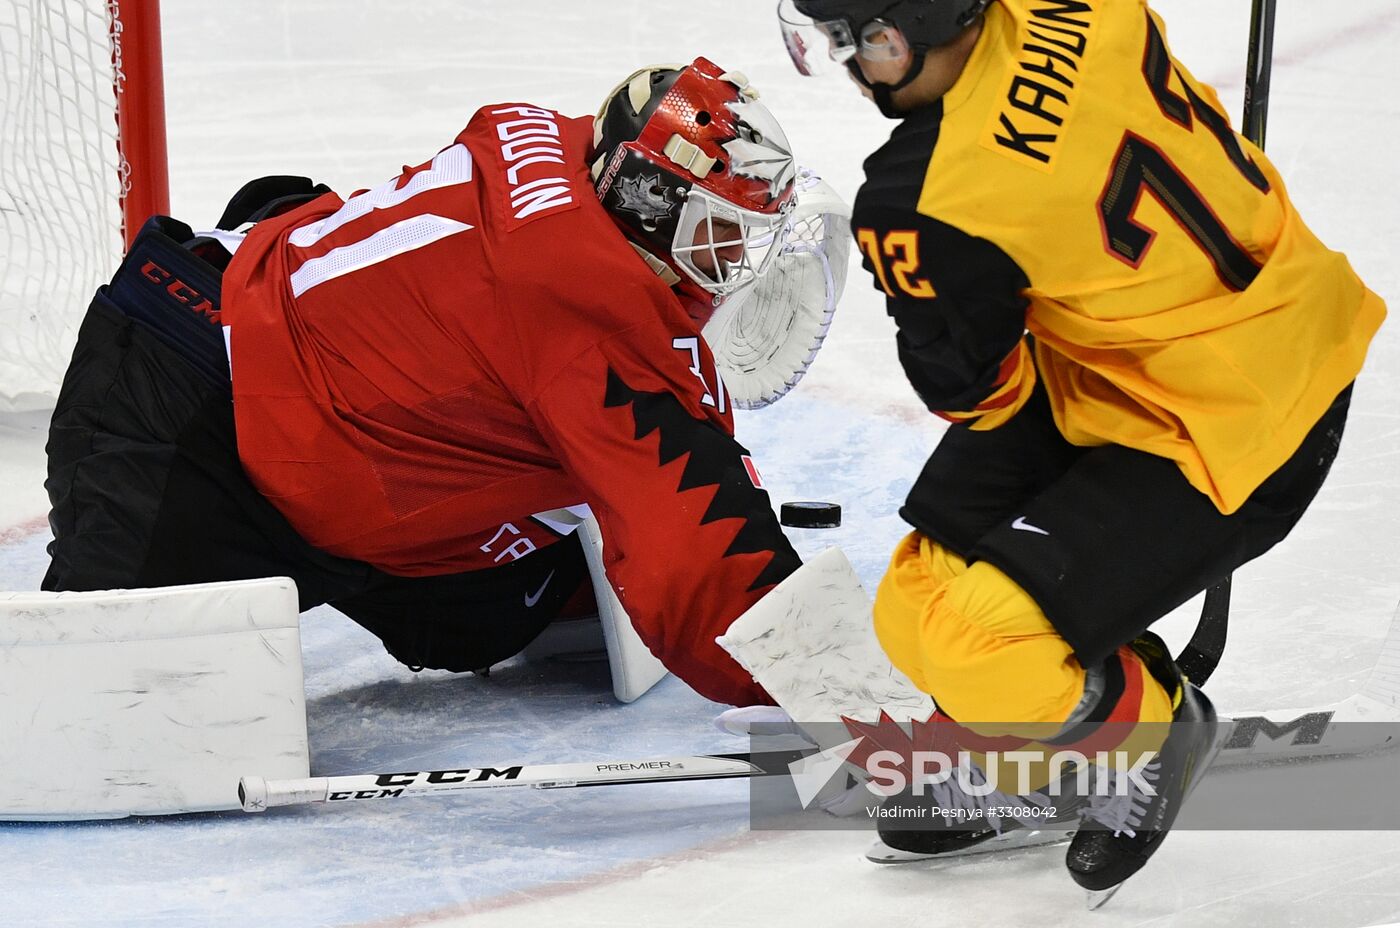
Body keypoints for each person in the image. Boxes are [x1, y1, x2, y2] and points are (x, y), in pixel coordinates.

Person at [777, 0, 1385, 900]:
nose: (850, 64)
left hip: (1247, 410)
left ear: (906, 33)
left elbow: (977, 394)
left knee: (981, 649)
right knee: (913, 610)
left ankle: (1155, 732)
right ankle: (1038, 758)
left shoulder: (924, 194)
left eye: (857, 39)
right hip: (1157, 351)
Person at [42, 56, 850, 709]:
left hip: (331, 406)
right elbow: (709, 567)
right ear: (649, 206)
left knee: (480, 622)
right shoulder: (589, 315)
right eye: (720, 237)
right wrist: (882, 727)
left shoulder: (570, 147)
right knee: (89, 705)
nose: (735, 267)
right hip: (184, 403)